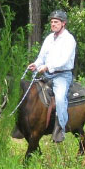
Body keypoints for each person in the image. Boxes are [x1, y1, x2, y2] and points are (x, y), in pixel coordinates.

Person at [27, 9, 77, 143]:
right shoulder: (49, 38)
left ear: (63, 23)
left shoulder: (69, 39)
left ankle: (60, 129)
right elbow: (41, 57)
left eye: (56, 22)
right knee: (29, 93)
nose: (53, 24)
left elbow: (64, 60)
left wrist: (48, 67)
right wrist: (35, 65)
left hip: (62, 75)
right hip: (46, 74)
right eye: (52, 22)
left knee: (60, 99)